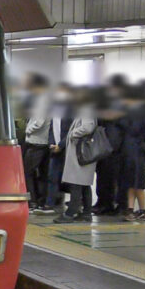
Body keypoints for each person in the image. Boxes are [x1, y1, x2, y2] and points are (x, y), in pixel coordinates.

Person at [55, 87, 98, 224]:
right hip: (80, 154)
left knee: (76, 183)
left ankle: (71, 212)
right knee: (84, 184)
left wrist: (72, 134)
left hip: (80, 153)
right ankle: (86, 213)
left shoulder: (86, 110)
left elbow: (88, 127)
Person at [117, 85, 145, 222]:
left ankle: (142, 210)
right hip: (132, 150)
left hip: (135, 151)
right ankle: (130, 208)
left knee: (137, 182)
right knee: (131, 181)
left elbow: (133, 129)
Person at [93, 75, 127, 216]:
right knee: (102, 175)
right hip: (104, 144)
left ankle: (118, 204)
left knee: (115, 177)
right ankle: (103, 202)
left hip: (115, 147)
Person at [37, 84, 73, 215]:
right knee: (52, 176)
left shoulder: (71, 110)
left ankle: (75, 203)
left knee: (71, 178)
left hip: (67, 148)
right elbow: (52, 127)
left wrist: (61, 145)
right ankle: (49, 203)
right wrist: (51, 143)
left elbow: (72, 130)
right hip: (55, 148)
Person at [23, 74, 52, 212]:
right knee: (43, 174)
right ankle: (41, 201)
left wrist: (28, 130)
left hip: (36, 141)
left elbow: (39, 122)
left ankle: (32, 201)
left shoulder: (42, 101)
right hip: (43, 142)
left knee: (27, 172)